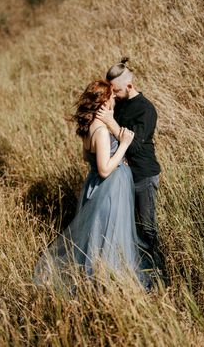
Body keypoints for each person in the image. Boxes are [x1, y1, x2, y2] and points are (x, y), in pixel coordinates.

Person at [34, 80, 150, 289]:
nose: (114, 98)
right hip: (109, 189)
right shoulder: (101, 131)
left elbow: (88, 157)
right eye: (111, 96)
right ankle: (105, 282)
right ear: (103, 102)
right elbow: (105, 169)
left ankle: (95, 278)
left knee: (96, 235)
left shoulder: (89, 127)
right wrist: (122, 147)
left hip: (94, 185)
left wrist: (114, 153)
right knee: (109, 235)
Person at [96, 58, 166, 281]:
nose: (113, 96)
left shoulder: (146, 110)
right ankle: (133, 271)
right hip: (121, 177)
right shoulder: (120, 102)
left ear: (128, 86)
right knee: (128, 229)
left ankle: (157, 274)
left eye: (115, 91)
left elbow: (134, 146)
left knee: (147, 228)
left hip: (143, 176)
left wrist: (111, 123)